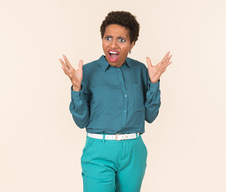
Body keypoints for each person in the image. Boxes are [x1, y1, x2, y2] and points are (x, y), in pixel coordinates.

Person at [59, 11, 172, 192]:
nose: (113, 44)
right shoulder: (87, 72)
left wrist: (153, 83)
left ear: (132, 44)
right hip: (99, 151)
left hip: (134, 151)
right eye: (108, 38)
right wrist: (76, 88)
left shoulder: (141, 70)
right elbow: (81, 121)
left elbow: (150, 116)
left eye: (121, 40)